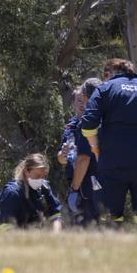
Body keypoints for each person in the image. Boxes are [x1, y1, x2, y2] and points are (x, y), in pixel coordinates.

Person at [80, 58, 137, 229]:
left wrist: (96, 149)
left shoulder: (105, 89)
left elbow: (88, 123)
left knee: (111, 216)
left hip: (113, 161)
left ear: (108, 74)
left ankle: (112, 252)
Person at [58, 77, 102, 225]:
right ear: (72, 104)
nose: (82, 104)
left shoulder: (93, 122)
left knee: (91, 222)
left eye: (84, 100)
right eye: (78, 100)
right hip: (74, 180)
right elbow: (61, 159)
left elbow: (85, 158)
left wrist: (75, 189)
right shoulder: (70, 126)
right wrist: (63, 155)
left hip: (91, 180)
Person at [0, 153, 62, 230]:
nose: (41, 180)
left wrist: (56, 235)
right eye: (37, 176)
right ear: (26, 172)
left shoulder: (44, 189)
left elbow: (56, 215)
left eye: (43, 176)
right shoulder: (12, 193)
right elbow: (6, 228)